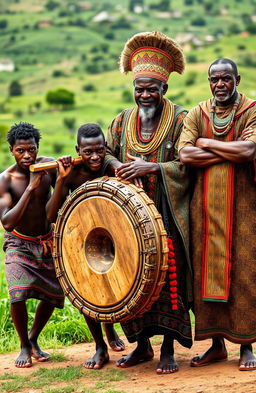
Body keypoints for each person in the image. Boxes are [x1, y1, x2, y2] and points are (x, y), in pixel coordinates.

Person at [104, 31, 193, 374]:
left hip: (168, 213)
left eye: (151, 89)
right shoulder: (122, 121)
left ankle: (169, 348)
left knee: (169, 279)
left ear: (164, 90)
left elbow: (188, 161)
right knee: (135, 277)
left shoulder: (181, 121)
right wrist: (121, 168)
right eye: (139, 88)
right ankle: (141, 346)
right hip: (129, 219)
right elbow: (107, 156)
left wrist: (153, 166)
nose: (144, 94)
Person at [178, 58, 256, 371]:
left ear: (237, 78)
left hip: (244, 210)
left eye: (226, 79)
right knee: (205, 273)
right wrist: (228, 148)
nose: (220, 84)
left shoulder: (251, 109)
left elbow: (249, 151)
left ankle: (247, 346)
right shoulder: (198, 112)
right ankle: (216, 346)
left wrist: (206, 142)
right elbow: (185, 154)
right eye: (214, 79)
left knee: (244, 274)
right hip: (205, 209)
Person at [46, 123, 125, 370]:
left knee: (113, 286)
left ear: (105, 148)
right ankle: (100, 346)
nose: (94, 157)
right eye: (88, 151)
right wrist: (62, 179)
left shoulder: (113, 168)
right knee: (87, 290)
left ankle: (110, 329)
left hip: (115, 236)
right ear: (78, 149)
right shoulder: (74, 173)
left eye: (99, 150)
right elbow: (51, 214)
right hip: (81, 238)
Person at [0, 122, 65, 368]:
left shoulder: (49, 167)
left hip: (48, 241)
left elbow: (66, 189)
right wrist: (30, 188)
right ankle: (24, 346)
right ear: (11, 150)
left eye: (31, 149)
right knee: (17, 294)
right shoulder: (5, 180)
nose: (27, 156)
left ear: (38, 148)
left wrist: (63, 173)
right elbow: (6, 222)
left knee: (53, 292)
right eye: (20, 150)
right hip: (19, 241)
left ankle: (34, 338)